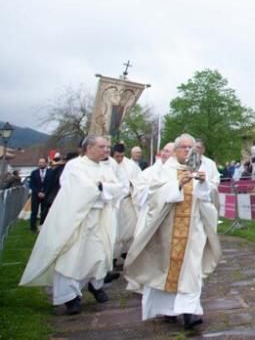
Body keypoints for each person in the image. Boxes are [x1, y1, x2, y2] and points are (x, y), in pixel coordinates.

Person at [19, 136, 126, 315]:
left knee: (99, 254)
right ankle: (69, 297)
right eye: (102, 146)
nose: (107, 150)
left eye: (107, 147)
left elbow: (119, 188)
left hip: (100, 218)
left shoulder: (105, 167)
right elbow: (81, 189)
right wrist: (102, 188)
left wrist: (102, 187)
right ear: (89, 147)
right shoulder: (75, 166)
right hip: (77, 219)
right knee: (72, 257)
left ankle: (95, 285)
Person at [125, 133, 220, 330]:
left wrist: (203, 183)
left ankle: (189, 312)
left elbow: (210, 198)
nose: (187, 150)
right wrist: (176, 184)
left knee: (192, 270)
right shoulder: (164, 171)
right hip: (166, 230)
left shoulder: (200, 169)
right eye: (183, 147)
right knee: (164, 270)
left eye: (190, 147)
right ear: (175, 151)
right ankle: (167, 310)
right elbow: (152, 196)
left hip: (194, 229)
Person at [28, 157, 52, 231]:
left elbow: (51, 184)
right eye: (39, 162)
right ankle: (33, 227)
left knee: (44, 211)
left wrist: (45, 192)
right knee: (34, 211)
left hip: (46, 195)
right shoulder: (34, 172)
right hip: (36, 194)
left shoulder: (51, 172)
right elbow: (31, 184)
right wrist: (38, 192)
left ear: (46, 163)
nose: (40, 164)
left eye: (42, 162)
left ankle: (42, 226)